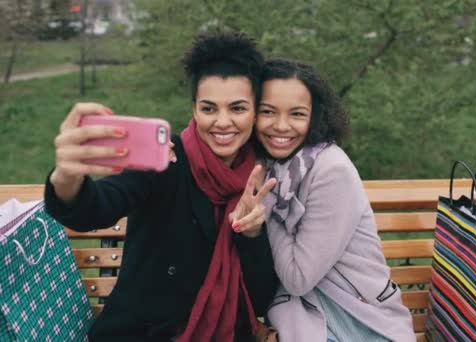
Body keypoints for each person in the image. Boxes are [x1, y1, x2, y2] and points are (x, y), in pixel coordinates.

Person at [44, 32, 278, 341]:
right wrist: (66, 177)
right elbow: (98, 207)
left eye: (237, 108)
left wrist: (251, 234)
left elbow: (262, 298)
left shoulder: (260, 178)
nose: (223, 122)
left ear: (254, 111)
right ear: (194, 110)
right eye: (209, 109)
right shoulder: (165, 160)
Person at [246, 59, 416, 341]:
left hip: (358, 322)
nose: (281, 126)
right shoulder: (271, 165)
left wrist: (264, 202)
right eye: (268, 112)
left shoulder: (331, 171)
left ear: (315, 117)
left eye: (297, 114)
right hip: (304, 318)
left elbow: (298, 279)